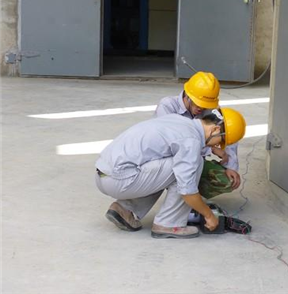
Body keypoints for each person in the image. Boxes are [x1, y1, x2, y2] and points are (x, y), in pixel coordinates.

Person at [95, 108, 246, 239]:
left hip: (104, 174)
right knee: (191, 166)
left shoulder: (180, 121)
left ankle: (125, 209)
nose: (218, 146)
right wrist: (208, 215)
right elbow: (187, 190)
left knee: (174, 164)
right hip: (118, 179)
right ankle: (169, 224)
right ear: (215, 130)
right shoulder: (190, 140)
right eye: (221, 142)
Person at [155, 71, 241, 200]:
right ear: (187, 95)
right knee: (179, 170)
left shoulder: (211, 109)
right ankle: (128, 208)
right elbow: (174, 143)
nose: (201, 108)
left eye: (205, 104)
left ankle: (190, 198)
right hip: (166, 158)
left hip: (195, 160)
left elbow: (229, 133)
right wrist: (211, 148)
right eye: (197, 103)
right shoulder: (167, 106)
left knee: (225, 180)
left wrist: (231, 166)